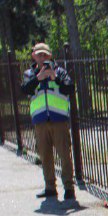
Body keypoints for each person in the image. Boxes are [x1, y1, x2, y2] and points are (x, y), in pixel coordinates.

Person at [21, 43, 75, 201]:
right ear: (34, 56)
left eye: (45, 55)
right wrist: (38, 78)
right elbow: (24, 89)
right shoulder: (29, 74)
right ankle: (50, 187)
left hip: (59, 119)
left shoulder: (60, 71)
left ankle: (69, 187)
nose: (42, 58)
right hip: (40, 120)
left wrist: (54, 77)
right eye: (39, 55)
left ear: (50, 55)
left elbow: (69, 88)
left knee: (64, 155)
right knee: (45, 155)